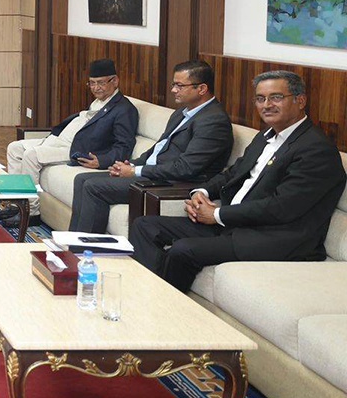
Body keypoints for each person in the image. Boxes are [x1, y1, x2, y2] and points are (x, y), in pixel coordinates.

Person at [128, 70, 346, 292]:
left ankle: (163, 302)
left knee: (183, 250)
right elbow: (233, 173)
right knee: (145, 226)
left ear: (300, 101)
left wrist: (217, 214)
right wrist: (201, 192)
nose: (266, 105)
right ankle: (146, 293)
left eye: (276, 97)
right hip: (234, 223)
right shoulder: (265, 136)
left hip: (274, 236)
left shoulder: (316, 149)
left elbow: (281, 207)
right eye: (260, 98)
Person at [68, 60, 233, 233]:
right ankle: (71, 242)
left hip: (173, 183)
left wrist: (136, 171)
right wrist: (132, 164)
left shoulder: (214, 121)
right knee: (82, 179)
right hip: (155, 174)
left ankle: (87, 245)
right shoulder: (182, 113)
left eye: (179, 86)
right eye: (173, 85)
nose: (173, 90)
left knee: (93, 187)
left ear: (202, 89)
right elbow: (158, 148)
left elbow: (185, 168)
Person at [0, 58, 138, 227]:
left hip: (76, 149)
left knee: (31, 155)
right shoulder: (99, 102)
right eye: (92, 83)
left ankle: (31, 212)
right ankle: (16, 205)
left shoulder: (124, 109)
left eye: (100, 83)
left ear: (115, 81)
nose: (95, 88)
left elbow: (124, 145)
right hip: (60, 141)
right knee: (15, 147)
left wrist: (102, 160)